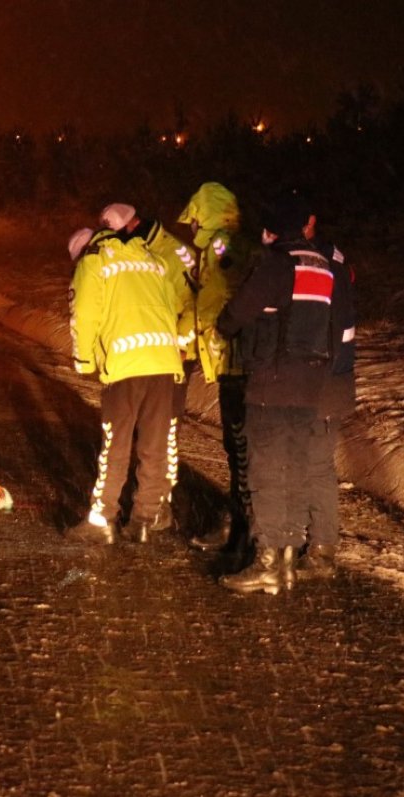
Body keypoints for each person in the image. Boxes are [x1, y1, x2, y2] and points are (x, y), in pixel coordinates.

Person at [213, 191, 349, 595]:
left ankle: (269, 561)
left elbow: (232, 317)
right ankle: (288, 560)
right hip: (310, 388)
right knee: (295, 473)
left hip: (271, 385)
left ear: (271, 230)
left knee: (268, 475)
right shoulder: (323, 267)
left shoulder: (275, 266)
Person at [64, 204, 186, 545]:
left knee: (115, 445)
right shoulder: (150, 258)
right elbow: (171, 303)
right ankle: (145, 519)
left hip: (126, 364)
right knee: (154, 445)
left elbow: (84, 316)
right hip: (163, 362)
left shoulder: (94, 262)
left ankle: (102, 519)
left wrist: (85, 362)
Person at [176, 183, 255, 553]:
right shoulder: (223, 243)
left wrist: (184, 331)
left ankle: (245, 528)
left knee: (242, 449)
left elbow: (217, 294)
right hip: (232, 360)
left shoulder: (222, 243)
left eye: (194, 219)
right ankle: (241, 524)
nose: (191, 228)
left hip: (238, 361)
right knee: (237, 448)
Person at [103, 205, 197, 505]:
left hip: (175, 355)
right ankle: (147, 499)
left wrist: (179, 345)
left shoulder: (175, 253)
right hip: (151, 353)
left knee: (163, 432)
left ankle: (159, 504)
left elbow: (198, 304)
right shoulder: (141, 251)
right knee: (146, 431)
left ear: (131, 226)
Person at [298, 212, 356, 580]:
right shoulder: (332, 259)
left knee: (317, 464)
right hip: (327, 376)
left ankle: (321, 550)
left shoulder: (319, 264)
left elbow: (329, 327)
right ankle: (310, 541)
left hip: (322, 379)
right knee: (307, 461)